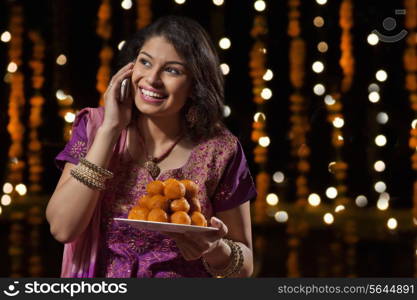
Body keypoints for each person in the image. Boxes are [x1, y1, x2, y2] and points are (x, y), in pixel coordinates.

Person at [46, 15, 257, 278]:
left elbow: (245, 265)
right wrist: (111, 129)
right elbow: (62, 229)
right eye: (145, 62)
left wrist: (215, 249)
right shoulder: (94, 128)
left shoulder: (220, 150)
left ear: (195, 84)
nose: (152, 79)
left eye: (172, 70)